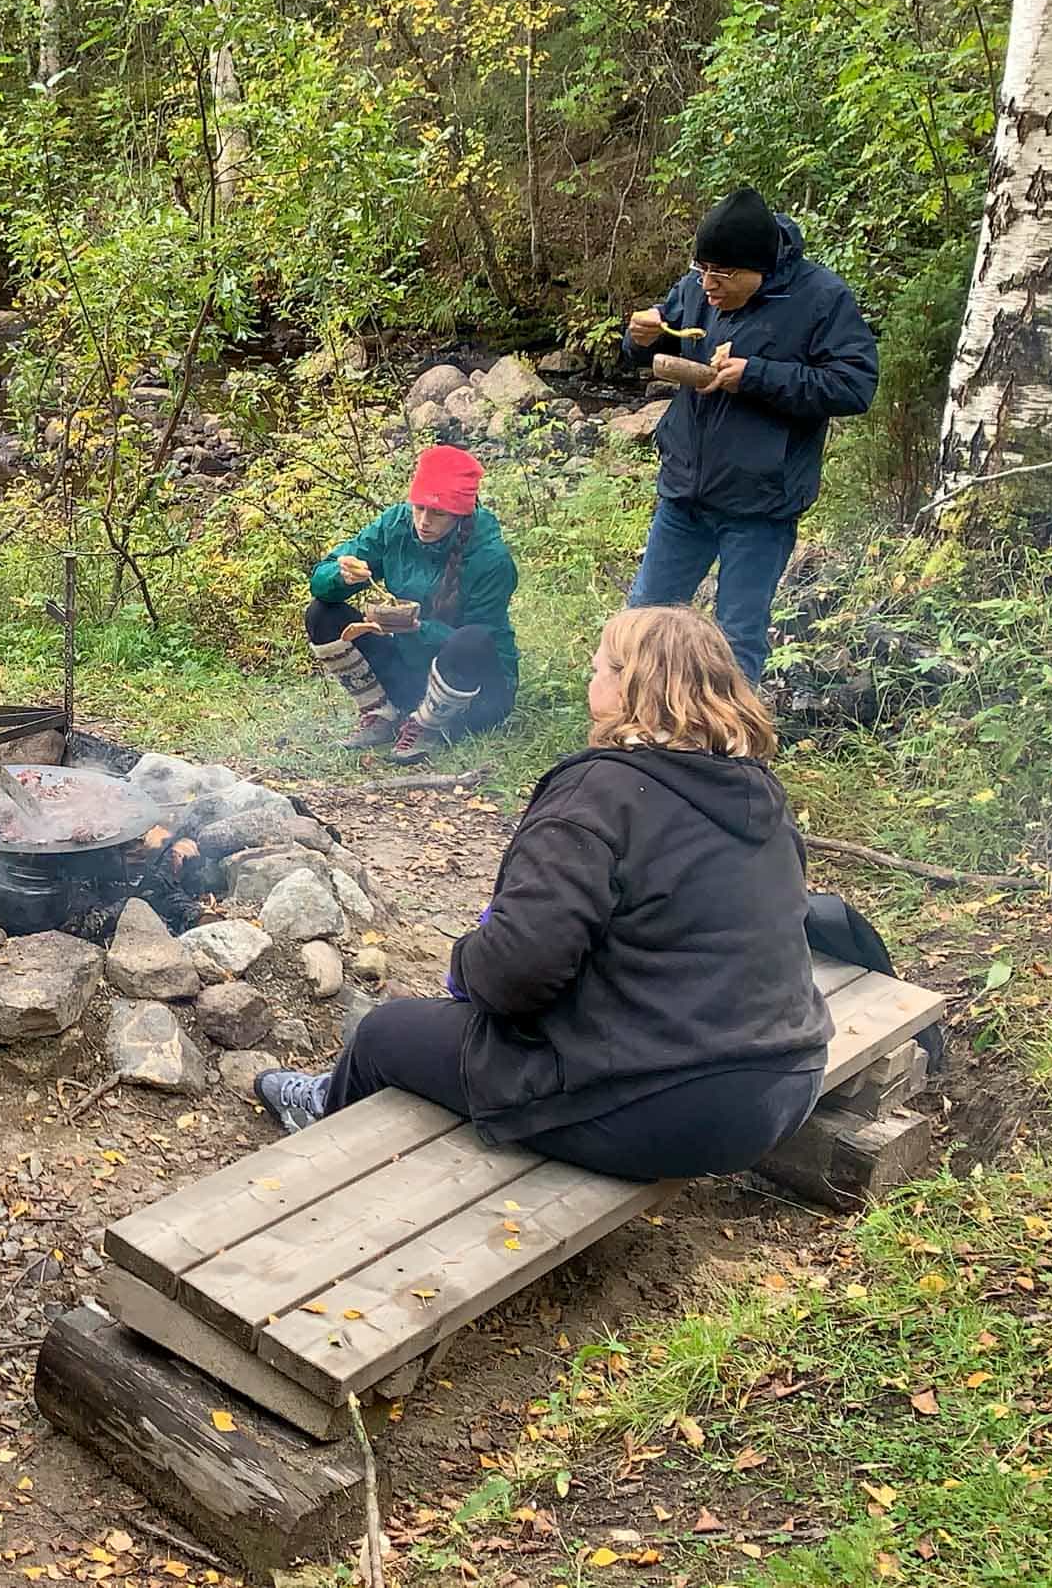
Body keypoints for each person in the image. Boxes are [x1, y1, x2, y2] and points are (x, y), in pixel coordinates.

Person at [258, 606, 833, 1181]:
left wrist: (469, 960)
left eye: (601, 668)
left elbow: (513, 980)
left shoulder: (598, 794)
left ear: (632, 689)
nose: (592, 676)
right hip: (787, 1077)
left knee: (384, 1033)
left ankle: (326, 1117)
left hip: (666, 1109)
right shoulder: (756, 787)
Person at [624, 186, 878, 683]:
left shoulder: (820, 298)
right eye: (702, 271)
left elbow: (854, 385)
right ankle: (633, 736)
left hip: (760, 504)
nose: (708, 286)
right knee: (642, 620)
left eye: (721, 276)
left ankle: (730, 752)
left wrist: (757, 375)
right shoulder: (699, 286)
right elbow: (652, 346)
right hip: (685, 493)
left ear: (758, 269)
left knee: (735, 638)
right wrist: (638, 338)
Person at [307, 444, 519, 759]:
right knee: (322, 613)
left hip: (477, 692)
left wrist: (416, 628)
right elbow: (320, 582)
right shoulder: (396, 524)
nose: (423, 521)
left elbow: (480, 639)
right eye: (418, 508)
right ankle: (382, 713)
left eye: (438, 513)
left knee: (471, 639)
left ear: (461, 514)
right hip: (411, 676)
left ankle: (428, 726)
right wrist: (340, 576)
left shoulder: (491, 558)